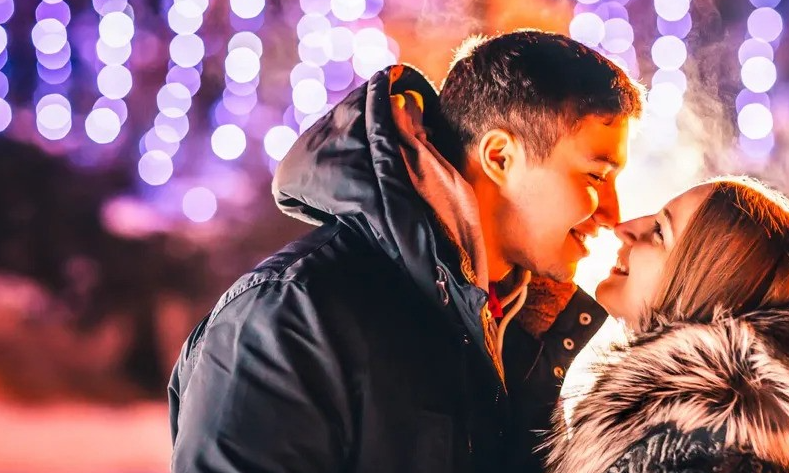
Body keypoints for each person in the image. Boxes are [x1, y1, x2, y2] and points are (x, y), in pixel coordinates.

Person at [167, 30, 644, 472]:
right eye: (596, 176)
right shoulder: (292, 315)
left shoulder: (519, 329)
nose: (613, 212)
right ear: (499, 157)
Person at [546, 177, 789, 473]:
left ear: (708, 289)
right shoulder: (689, 441)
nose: (624, 228)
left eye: (660, 232)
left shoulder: (700, 456)